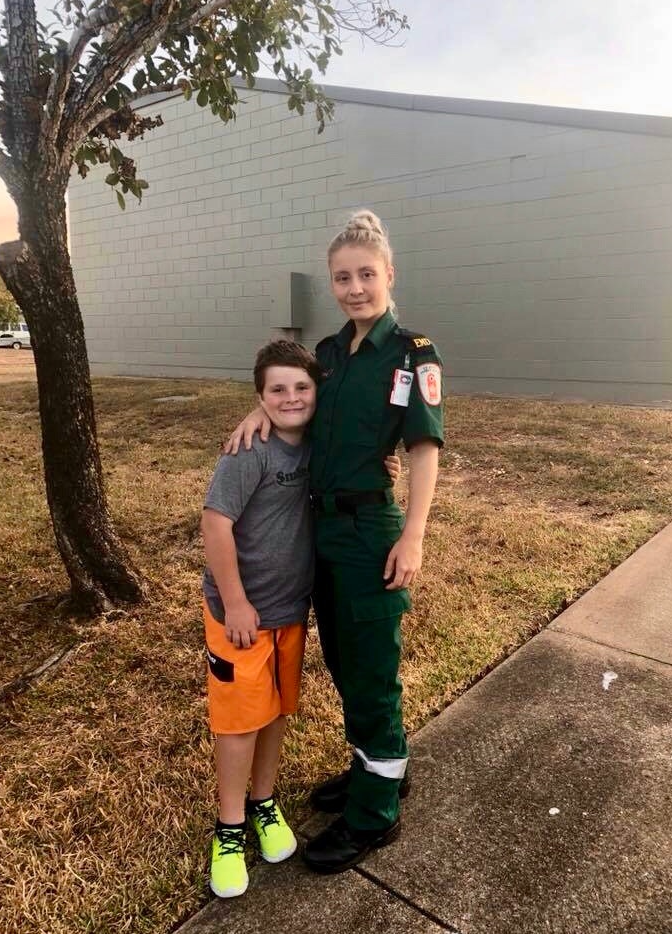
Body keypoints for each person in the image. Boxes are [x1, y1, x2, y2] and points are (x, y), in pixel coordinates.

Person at [225, 209, 445, 874]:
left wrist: (413, 534)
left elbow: (423, 446)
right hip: (317, 533)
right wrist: (256, 409)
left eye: (366, 275)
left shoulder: (411, 354)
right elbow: (291, 400)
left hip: (368, 531)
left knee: (371, 672)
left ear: (389, 275)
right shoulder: (324, 354)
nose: (354, 288)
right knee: (347, 666)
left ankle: (374, 814)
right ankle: (378, 767)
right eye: (342, 277)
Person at [202, 338, 402, 897]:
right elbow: (215, 524)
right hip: (239, 613)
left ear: (318, 391)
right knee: (240, 722)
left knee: (276, 710)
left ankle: (264, 803)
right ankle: (230, 827)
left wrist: (378, 461)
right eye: (276, 390)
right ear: (260, 397)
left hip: (291, 608)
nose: (291, 398)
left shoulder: (317, 445)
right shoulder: (249, 451)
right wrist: (237, 601)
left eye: (301, 388)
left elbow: (358, 457)